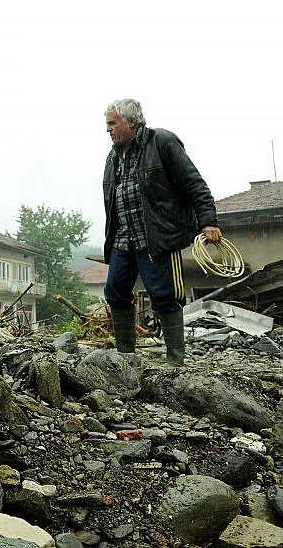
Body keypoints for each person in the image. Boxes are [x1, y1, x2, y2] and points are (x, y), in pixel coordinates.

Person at [102, 99, 221, 366]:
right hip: (123, 238)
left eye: (112, 123)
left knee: (164, 295)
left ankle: (175, 362)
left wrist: (208, 221)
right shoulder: (113, 157)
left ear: (131, 122)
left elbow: (194, 184)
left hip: (156, 237)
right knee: (115, 291)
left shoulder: (162, 142)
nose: (107, 130)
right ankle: (126, 358)